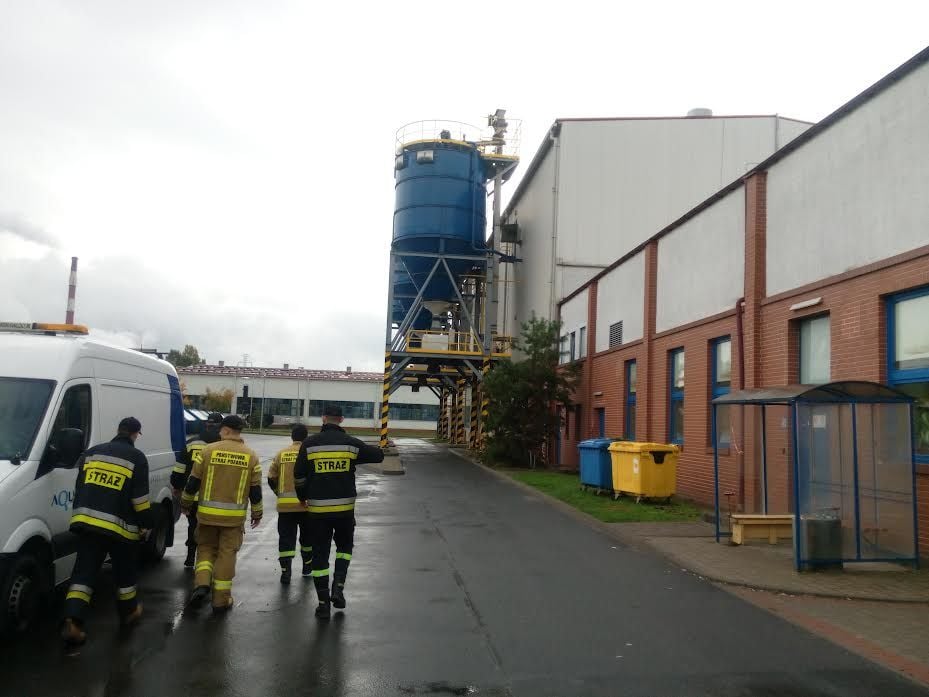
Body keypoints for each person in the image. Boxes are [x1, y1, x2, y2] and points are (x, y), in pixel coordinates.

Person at [61, 417, 154, 647]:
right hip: (119, 529)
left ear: (118, 430)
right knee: (125, 574)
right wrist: (146, 524)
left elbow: (80, 487)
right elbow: (140, 501)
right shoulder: (136, 458)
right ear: (136, 434)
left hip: (87, 524)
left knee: (83, 575)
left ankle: (73, 621)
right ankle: (129, 612)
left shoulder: (92, 453)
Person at [294, 405, 384, 619]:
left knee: (320, 555)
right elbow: (378, 456)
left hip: (318, 512)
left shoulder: (309, 444)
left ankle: (323, 603)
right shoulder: (351, 444)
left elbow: (299, 476)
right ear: (341, 420)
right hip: (344, 511)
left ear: (323, 419)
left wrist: (302, 497)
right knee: (344, 548)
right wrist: (382, 446)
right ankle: (338, 587)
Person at [180, 414, 262, 614]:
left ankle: (201, 584)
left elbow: (192, 482)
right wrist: (257, 513)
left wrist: (185, 503)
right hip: (233, 519)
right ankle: (220, 600)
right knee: (227, 554)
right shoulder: (251, 456)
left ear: (225, 430)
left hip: (206, 516)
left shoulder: (207, 451)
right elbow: (255, 490)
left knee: (205, 550)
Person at [171, 412, 223, 567]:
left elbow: (180, 468)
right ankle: (208, 560)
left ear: (206, 424)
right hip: (215, 497)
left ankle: (190, 556)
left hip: (192, 495)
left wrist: (177, 487)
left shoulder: (192, 443)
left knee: (193, 525)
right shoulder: (223, 445)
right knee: (212, 529)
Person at [268, 424, 313, 584]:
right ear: (306, 437)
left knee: (286, 538)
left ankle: (286, 572)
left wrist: (279, 493)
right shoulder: (309, 453)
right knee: (308, 539)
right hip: (307, 506)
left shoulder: (281, 454)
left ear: (292, 436)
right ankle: (307, 567)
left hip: (285, 507)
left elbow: (271, 478)